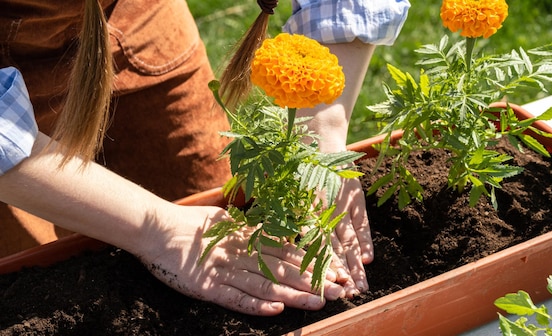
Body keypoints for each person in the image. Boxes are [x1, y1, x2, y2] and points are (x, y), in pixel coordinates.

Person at [0, 0, 410, 316]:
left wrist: (321, 131)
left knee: (223, 219)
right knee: (36, 285)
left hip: (126, 14)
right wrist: (161, 230)